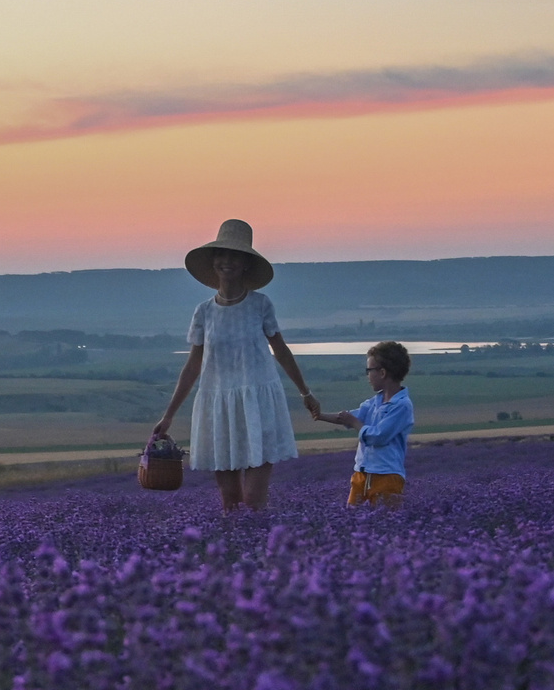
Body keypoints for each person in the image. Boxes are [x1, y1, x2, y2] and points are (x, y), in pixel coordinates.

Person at [150, 219, 317, 514]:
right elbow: (192, 365)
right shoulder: (204, 312)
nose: (226, 261)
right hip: (218, 405)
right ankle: (234, 555)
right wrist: (169, 416)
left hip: (258, 402)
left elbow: (280, 350)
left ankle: (262, 551)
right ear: (214, 262)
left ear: (245, 265)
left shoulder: (260, 305)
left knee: (253, 501)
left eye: (234, 256)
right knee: (230, 502)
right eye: (221, 255)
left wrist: (305, 392)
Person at [308, 341, 414, 506]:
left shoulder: (402, 406)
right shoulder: (373, 402)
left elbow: (379, 437)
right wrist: (319, 415)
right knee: (352, 524)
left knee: (385, 526)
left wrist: (356, 423)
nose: (367, 376)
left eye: (369, 370)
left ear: (383, 373)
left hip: (387, 477)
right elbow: (348, 417)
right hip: (361, 475)